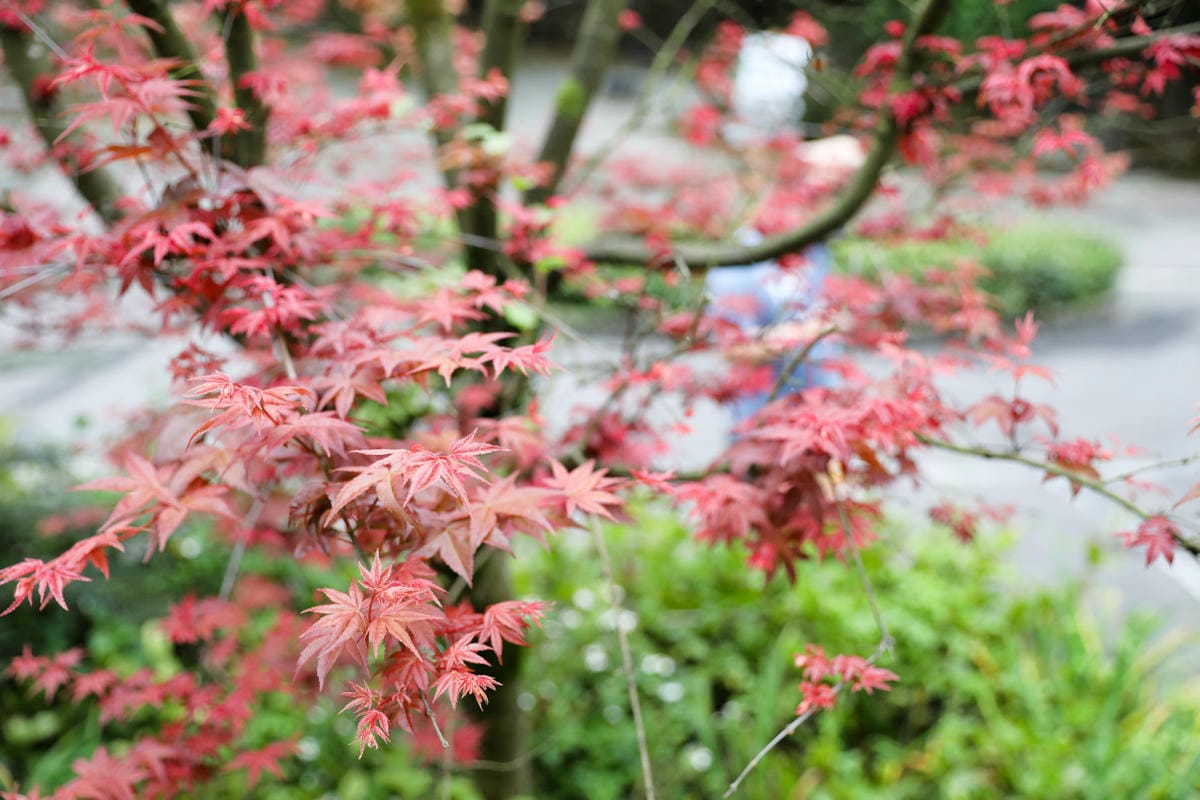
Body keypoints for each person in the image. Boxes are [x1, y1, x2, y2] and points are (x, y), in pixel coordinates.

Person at [705, 32, 863, 424]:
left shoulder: (813, 245)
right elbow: (732, 349)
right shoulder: (741, 259)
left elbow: (852, 155)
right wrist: (811, 330)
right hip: (762, 429)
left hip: (823, 423)